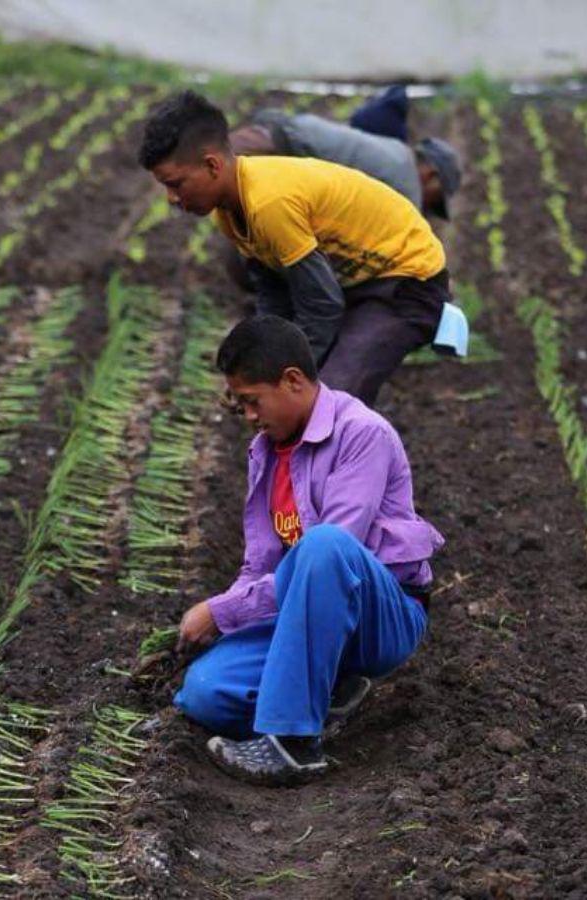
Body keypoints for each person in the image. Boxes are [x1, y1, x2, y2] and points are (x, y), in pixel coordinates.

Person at [173, 316, 443, 785]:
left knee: (323, 544)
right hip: (304, 612)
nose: (250, 417)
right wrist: (231, 619)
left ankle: (293, 744)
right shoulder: (266, 451)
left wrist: (222, 610)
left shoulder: (363, 433)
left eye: (252, 401)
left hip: (381, 614)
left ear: (292, 380)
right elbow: (260, 562)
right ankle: (327, 686)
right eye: (241, 405)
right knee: (204, 693)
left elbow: (337, 553)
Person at [138, 91, 462, 406]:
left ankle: (360, 457)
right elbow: (273, 295)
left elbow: (321, 305)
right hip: (358, 278)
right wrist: (256, 368)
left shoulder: (270, 203)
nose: (171, 198)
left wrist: (274, 378)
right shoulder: (229, 211)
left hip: (408, 282)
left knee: (334, 396)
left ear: (212, 166)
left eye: (175, 184)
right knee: (300, 393)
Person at [228, 109, 461, 221]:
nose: (428, 207)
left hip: (273, 137)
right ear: (430, 175)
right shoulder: (407, 189)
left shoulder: (397, 151)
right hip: (275, 150)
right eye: (436, 199)